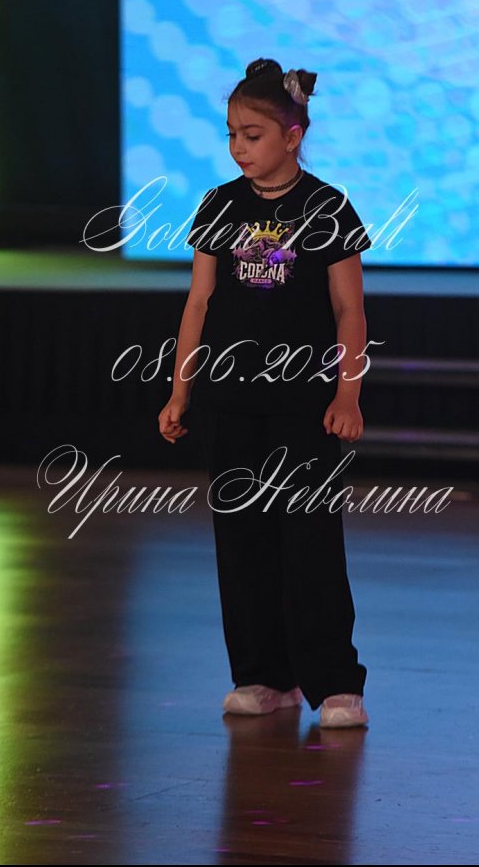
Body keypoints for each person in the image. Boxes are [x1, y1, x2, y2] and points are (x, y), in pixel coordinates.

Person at [158, 58, 373, 728]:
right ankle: (263, 675)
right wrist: (180, 391)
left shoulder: (327, 207)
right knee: (242, 539)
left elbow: (349, 309)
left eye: (252, 135)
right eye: (231, 134)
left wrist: (347, 395)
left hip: (305, 405)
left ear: (293, 135)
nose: (239, 148)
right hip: (230, 400)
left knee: (310, 541)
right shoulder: (220, 206)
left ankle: (334, 683)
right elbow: (199, 303)